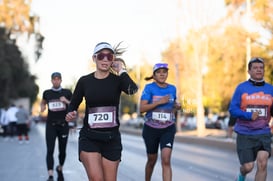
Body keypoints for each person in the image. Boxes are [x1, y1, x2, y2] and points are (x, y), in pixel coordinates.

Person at [65, 42, 138, 181]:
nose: (105, 60)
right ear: (94, 58)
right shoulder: (84, 81)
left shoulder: (117, 80)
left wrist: (121, 71)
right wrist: (71, 112)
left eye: (109, 56)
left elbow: (132, 89)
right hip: (89, 137)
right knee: (97, 179)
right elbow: (74, 103)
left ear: (113, 60)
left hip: (112, 139)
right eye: (101, 56)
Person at [229, 57, 273, 181]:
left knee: (262, 163)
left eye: (261, 68)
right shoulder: (241, 88)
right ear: (249, 71)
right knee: (248, 167)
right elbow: (232, 110)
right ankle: (242, 175)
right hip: (245, 133)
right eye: (255, 68)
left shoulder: (271, 89)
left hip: (263, 132)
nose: (259, 70)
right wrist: (248, 115)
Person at [139, 63, 181, 181]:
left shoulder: (172, 88)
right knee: (152, 160)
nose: (162, 74)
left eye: (164, 72)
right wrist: (159, 102)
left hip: (168, 128)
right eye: (159, 72)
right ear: (154, 75)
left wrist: (177, 106)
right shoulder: (149, 88)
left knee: (166, 160)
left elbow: (173, 105)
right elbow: (142, 109)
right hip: (151, 129)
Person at [40, 72, 72, 181]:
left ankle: (60, 168)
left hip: (63, 125)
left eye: (58, 79)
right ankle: (50, 175)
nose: (56, 81)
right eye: (54, 79)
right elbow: (43, 102)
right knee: (50, 150)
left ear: (61, 80)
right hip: (51, 125)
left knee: (62, 151)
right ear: (51, 81)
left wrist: (66, 101)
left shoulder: (67, 92)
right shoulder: (47, 93)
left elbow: (73, 105)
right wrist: (42, 107)